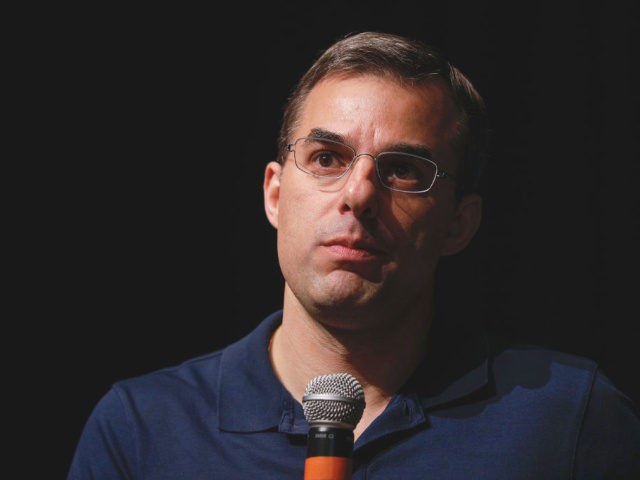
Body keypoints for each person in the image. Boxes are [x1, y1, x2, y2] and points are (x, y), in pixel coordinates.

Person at [67, 31, 640, 479]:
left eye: (401, 170)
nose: (359, 194)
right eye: (326, 158)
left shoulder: (568, 420)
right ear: (274, 194)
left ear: (459, 224)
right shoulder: (142, 429)